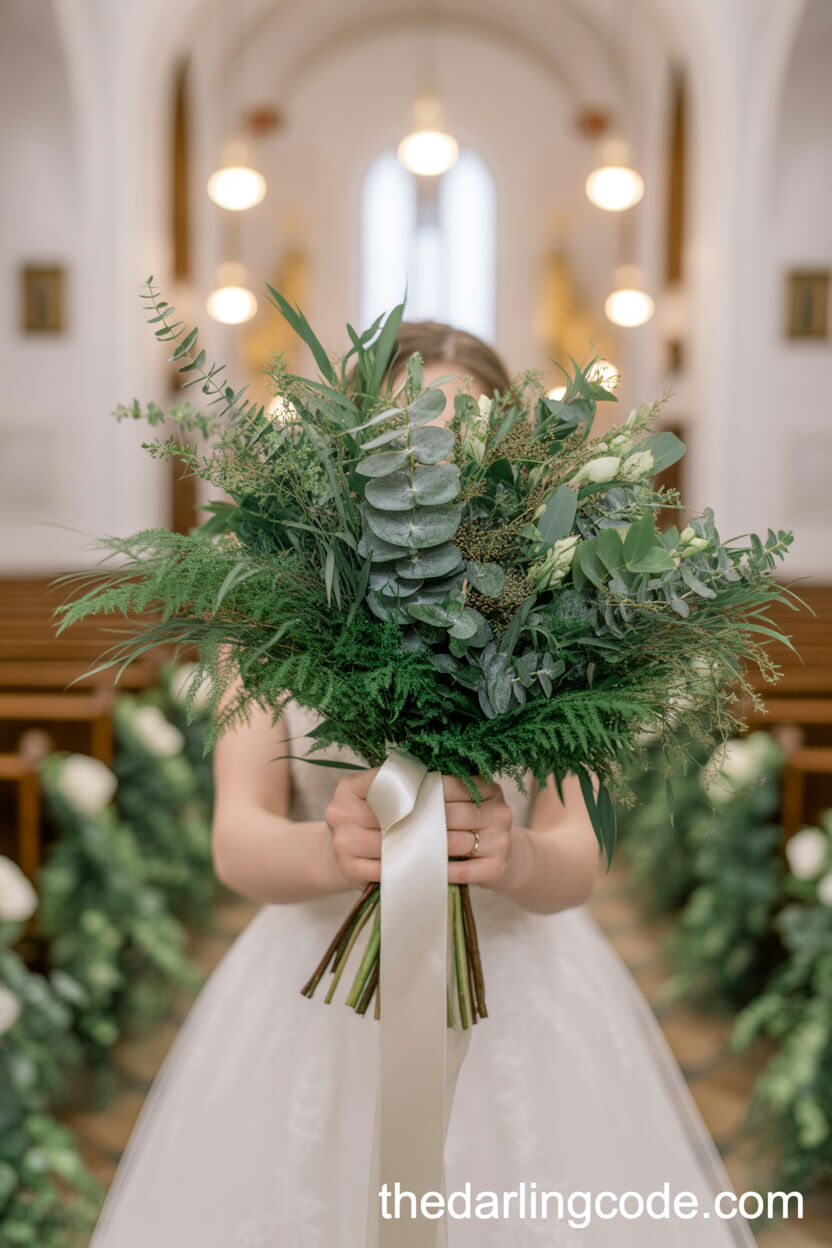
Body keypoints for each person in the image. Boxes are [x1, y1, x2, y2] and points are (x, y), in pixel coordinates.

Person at [90, 322, 755, 1246]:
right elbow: (238, 841)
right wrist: (332, 847)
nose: (435, 475)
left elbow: (579, 857)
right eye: (410, 436)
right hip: (314, 984)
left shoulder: (572, 619)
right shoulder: (273, 613)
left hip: (519, 982)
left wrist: (515, 854)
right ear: (353, 453)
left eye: (468, 438)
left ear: (519, 457)